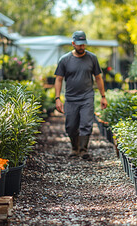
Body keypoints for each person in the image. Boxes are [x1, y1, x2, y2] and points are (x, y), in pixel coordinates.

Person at [54, 30, 108, 159]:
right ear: (73, 43)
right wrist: (57, 98)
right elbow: (59, 79)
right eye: (79, 44)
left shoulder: (92, 58)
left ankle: (83, 150)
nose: (82, 47)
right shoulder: (65, 60)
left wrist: (103, 96)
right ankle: (74, 148)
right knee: (71, 126)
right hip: (71, 99)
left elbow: (98, 78)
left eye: (83, 44)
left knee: (86, 124)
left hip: (87, 97)